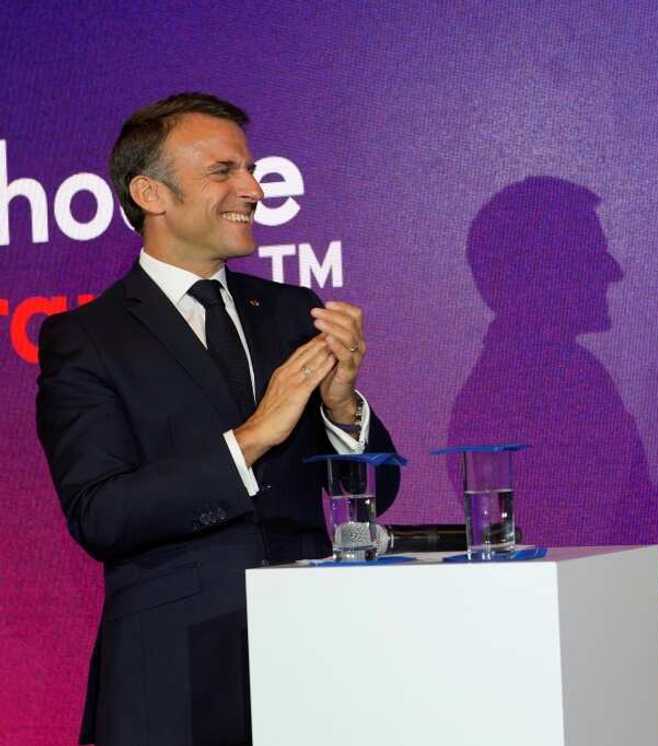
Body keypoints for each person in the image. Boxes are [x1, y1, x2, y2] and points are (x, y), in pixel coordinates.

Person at [36, 92, 400, 746]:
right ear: (152, 193)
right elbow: (101, 512)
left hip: (318, 664)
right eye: (224, 171)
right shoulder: (87, 339)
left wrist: (343, 407)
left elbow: (378, 495)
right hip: (173, 679)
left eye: (251, 169)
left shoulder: (293, 312)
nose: (254, 188)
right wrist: (254, 436)